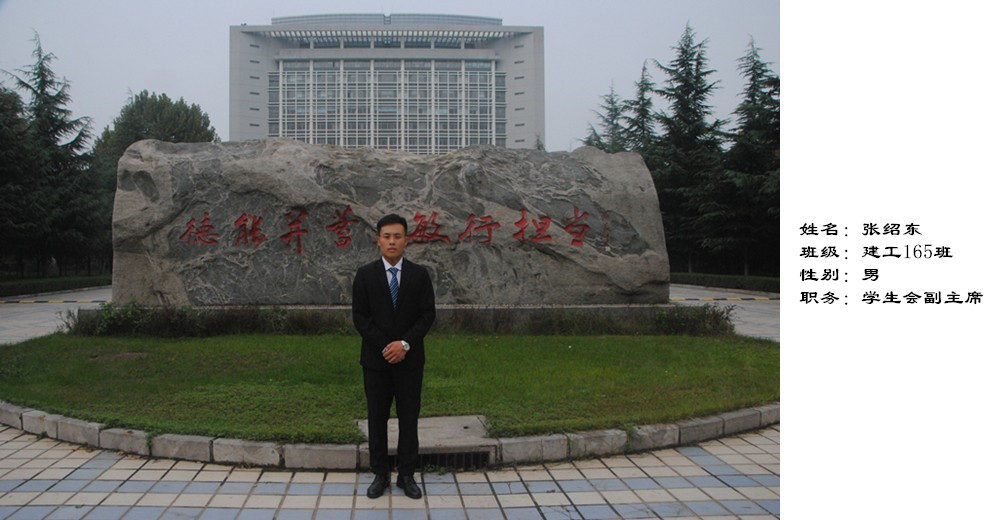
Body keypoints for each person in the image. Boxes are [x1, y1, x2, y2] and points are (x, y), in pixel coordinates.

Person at [352, 213, 436, 500]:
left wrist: (405, 344)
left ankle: (407, 474)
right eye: (386, 236)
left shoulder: (419, 275)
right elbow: (360, 318)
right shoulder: (365, 275)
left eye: (397, 236)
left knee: (409, 418)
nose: (392, 241)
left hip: (410, 361)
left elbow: (427, 315)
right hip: (376, 362)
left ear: (406, 240)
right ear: (378, 240)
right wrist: (387, 346)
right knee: (377, 418)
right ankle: (380, 473)